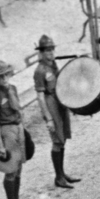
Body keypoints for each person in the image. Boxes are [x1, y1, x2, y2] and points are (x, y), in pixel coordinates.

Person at [34, 34, 80, 189]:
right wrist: (49, 119)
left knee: (63, 138)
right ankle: (58, 177)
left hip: (59, 100)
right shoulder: (40, 71)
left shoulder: (53, 65)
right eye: (47, 50)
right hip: (50, 102)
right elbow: (40, 97)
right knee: (57, 140)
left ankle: (62, 173)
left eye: (52, 49)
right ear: (41, 52)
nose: (50, 53)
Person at [0, 59, 31, 199]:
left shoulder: (13, 89)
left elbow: (18, 109)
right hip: (6, 131)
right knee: (10, 169)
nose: (4, 79)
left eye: (6, 75)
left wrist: (23, 128)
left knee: (19, 167)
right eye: (0, 77)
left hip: (17, 127)